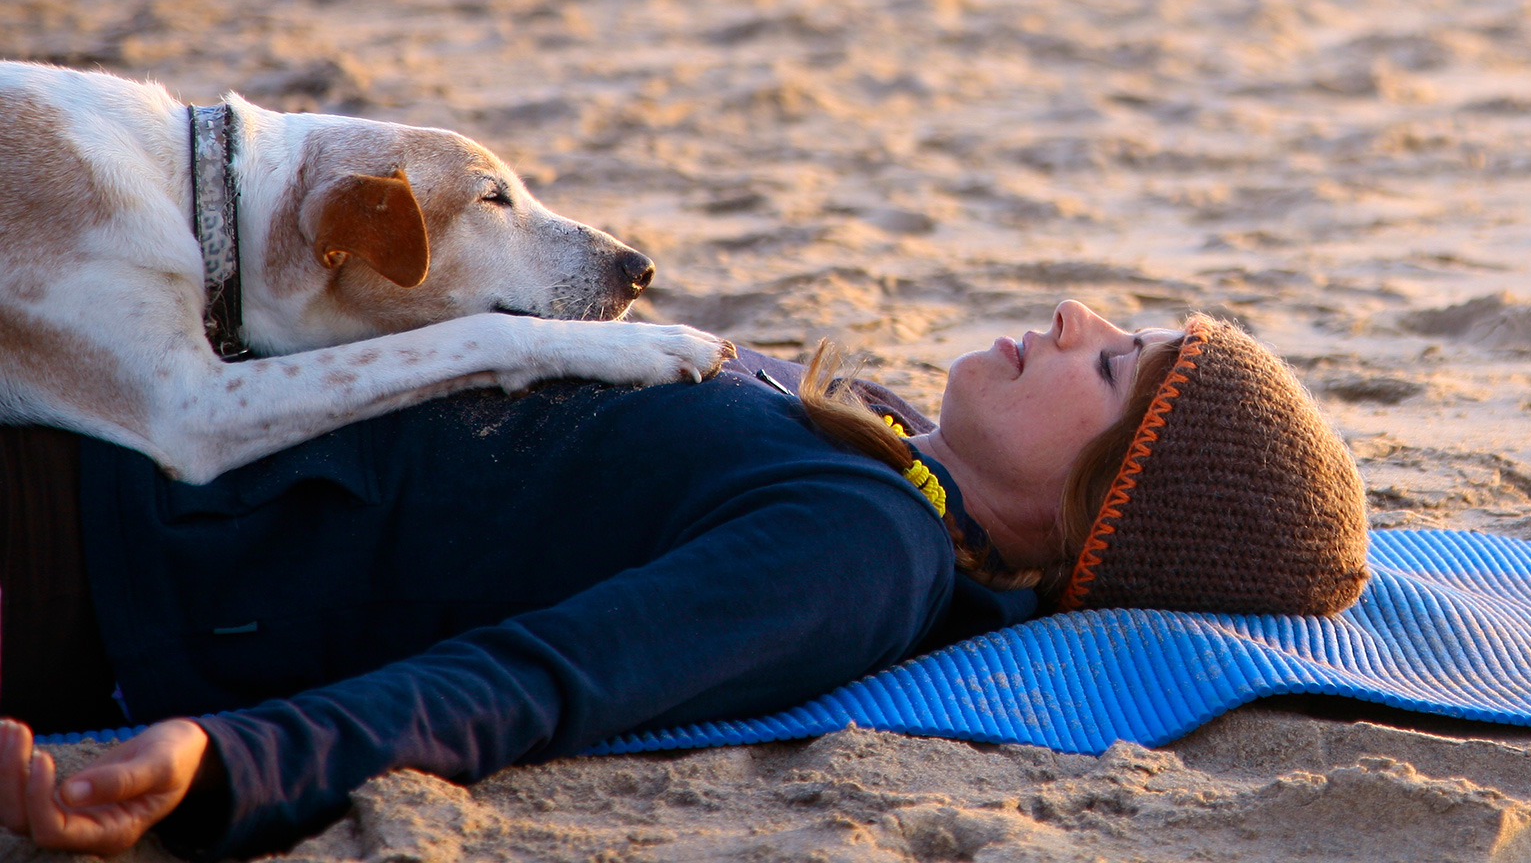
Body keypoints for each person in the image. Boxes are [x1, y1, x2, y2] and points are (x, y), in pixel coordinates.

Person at [0, 302, 1368, 859]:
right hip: (123, 395)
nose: (1077, 319)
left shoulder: (862, 548)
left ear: (1092, 519)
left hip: (99, 534)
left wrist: (225, 763)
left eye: (1115, 366)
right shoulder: (882, 441)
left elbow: (542, 681)